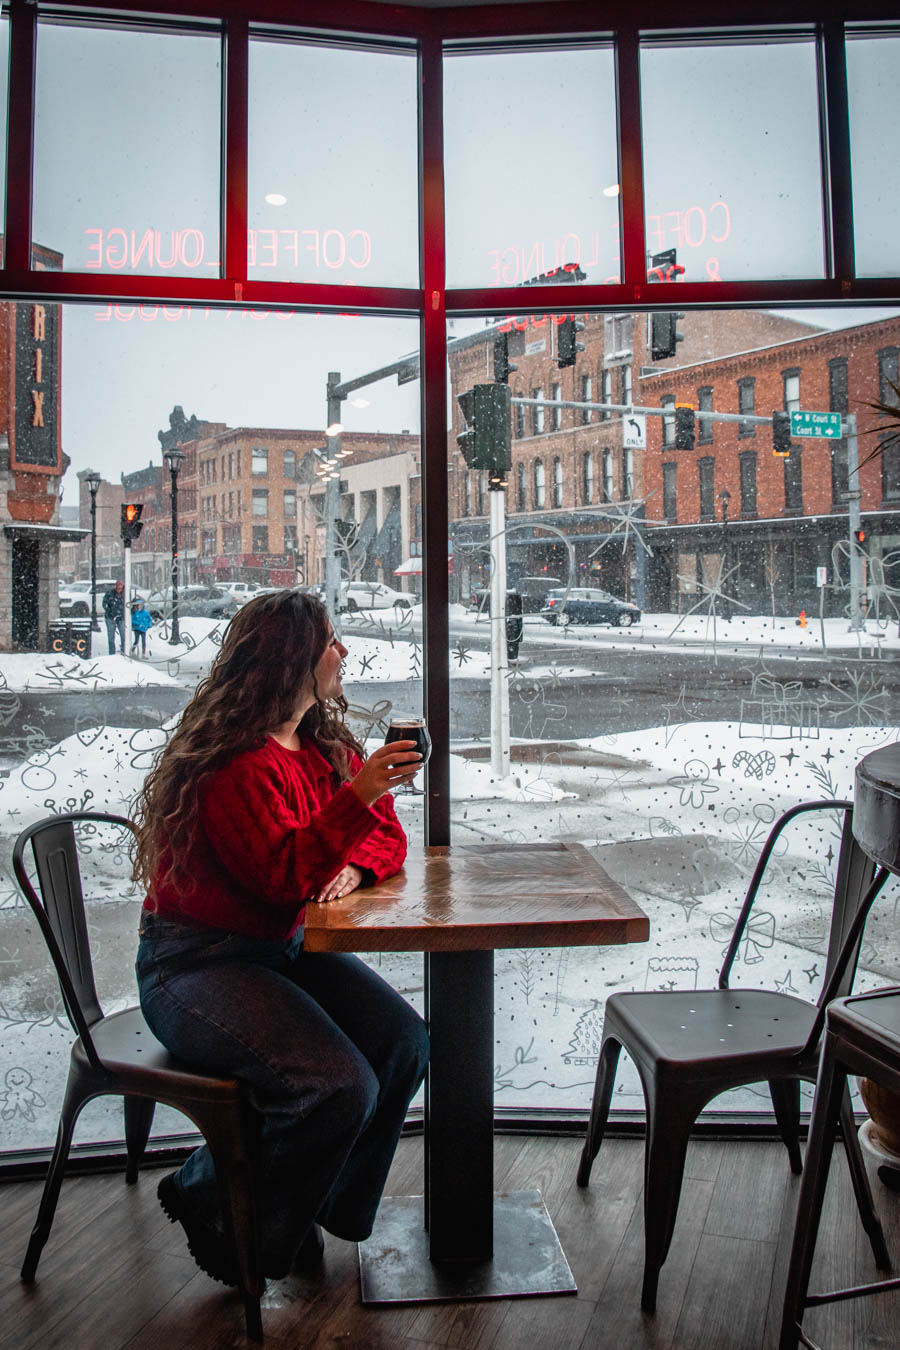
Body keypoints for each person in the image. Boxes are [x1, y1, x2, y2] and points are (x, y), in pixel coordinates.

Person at [132, 589, 429, 1285]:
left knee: (403, 1043)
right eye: (331, 640)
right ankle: (212, 1199)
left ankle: (308, 1207)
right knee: (333, 1085)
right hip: (195, 964)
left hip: (277, 951)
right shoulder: (234, 763)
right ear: (294, 656)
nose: (344, 652)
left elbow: (388, 836)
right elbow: (280, 877)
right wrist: (355, 806)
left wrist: (354, 864)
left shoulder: (320, 745)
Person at [102, 579, 126, 654]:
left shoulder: (126, 595)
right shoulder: (109, 594)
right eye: (118, 587)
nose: (119, 589)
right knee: (111, 637)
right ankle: (112, 653)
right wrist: (110, 611)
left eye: (121, 588)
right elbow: (104, 604)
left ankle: (124, 651)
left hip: (121, 617)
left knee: (123, 636)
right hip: (110, 618)